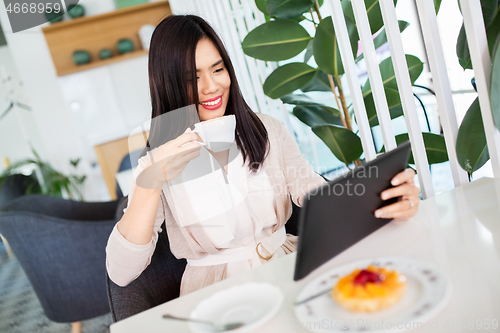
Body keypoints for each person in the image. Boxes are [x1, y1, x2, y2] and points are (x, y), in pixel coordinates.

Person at [105, 15, 420, 296]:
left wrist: (380, 197)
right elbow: (121, 273)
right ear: (168, 84)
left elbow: (311, 190)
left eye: (218, 69)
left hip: (288, 267)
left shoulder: (266, 129)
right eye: (193, 78)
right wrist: (151, 181)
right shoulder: (157, 162)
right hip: (216, 294)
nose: (212, 86)